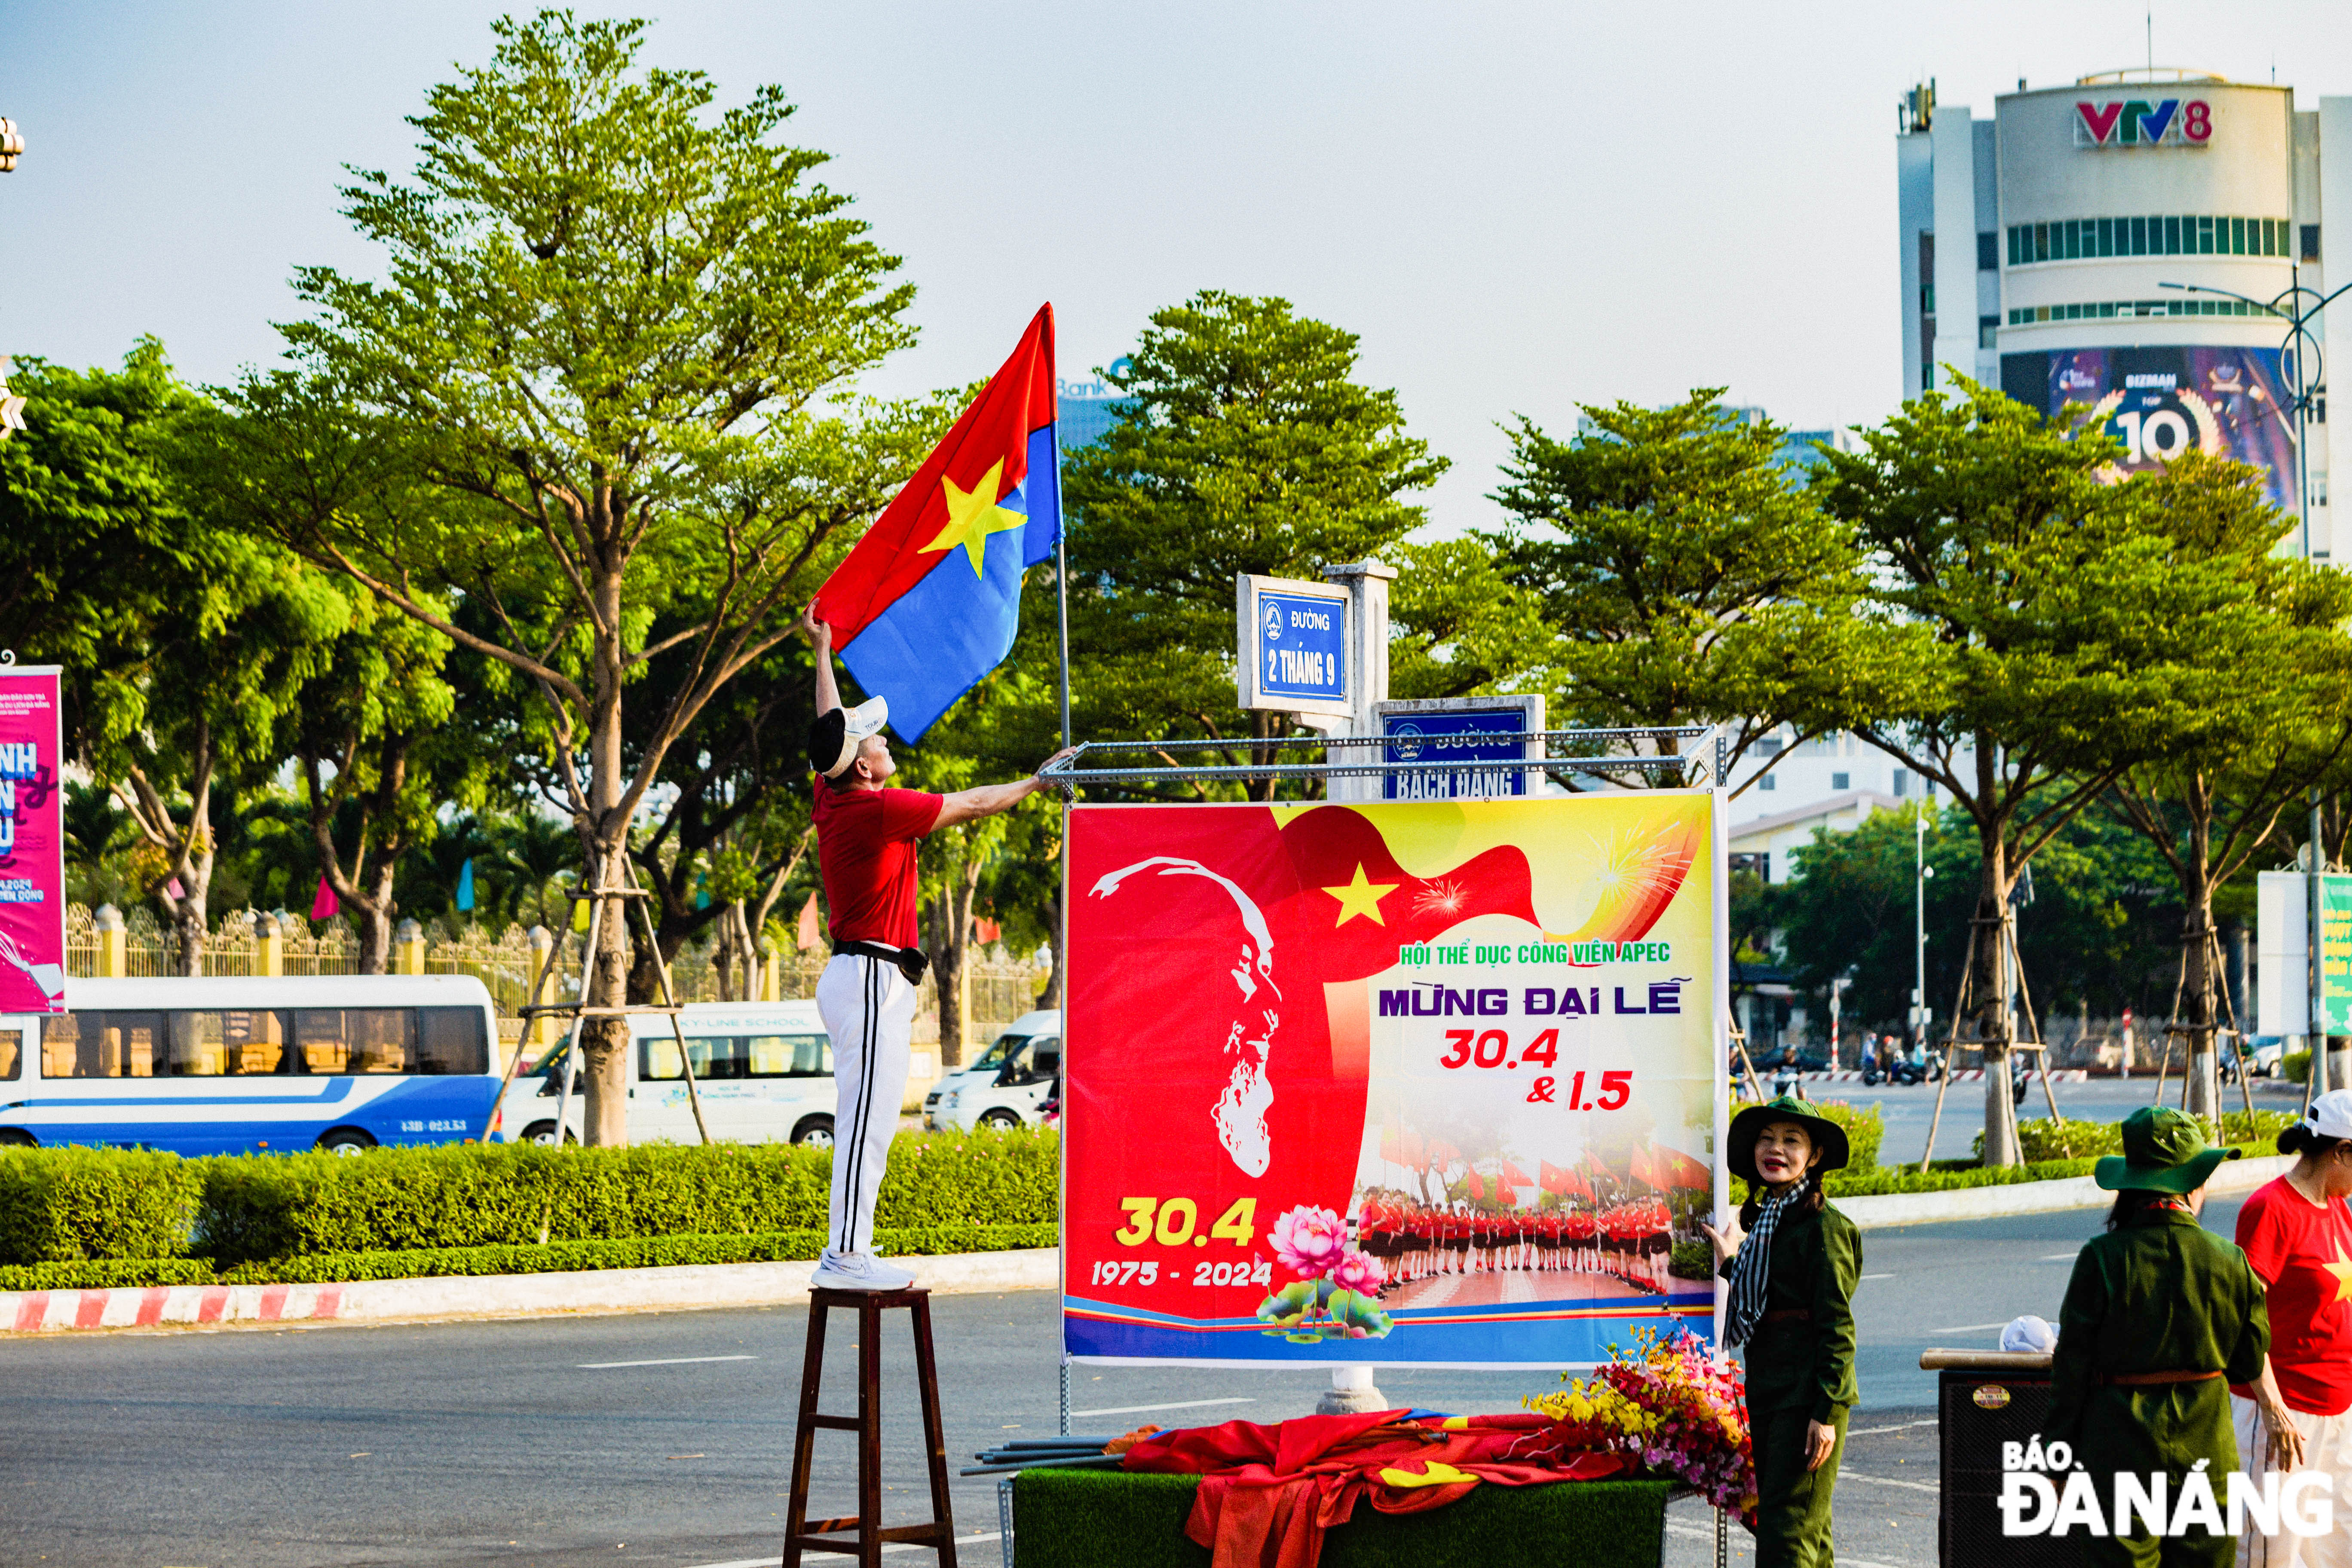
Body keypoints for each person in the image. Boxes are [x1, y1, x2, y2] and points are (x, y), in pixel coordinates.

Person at [799, 605, 1074, 1291]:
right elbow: (976, 804)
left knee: (872, 1121)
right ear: (864, 767)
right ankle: (843, 1258)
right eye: (873, 738)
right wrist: (1039, 782)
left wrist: (823, 650)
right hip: (868, 974)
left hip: (868, 975)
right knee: (864, 1123)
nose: (882, 738)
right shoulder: (875, 809)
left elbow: (828, 730)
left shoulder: (834, 795)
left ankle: (852, 1251)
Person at [2044, 1107, 2272, 1568]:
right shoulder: (2230, 1261)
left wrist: (2057, 1457)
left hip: (2118, 1450)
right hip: (2207, 1452)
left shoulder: (2102, 1258)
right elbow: (2249, 1362)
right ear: (2192, 1186)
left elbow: (2072, 1366)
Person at [1699, 1094, 1860, 1568]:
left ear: (1815, 1156)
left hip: (1806, 1399)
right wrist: (1731, 1262)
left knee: (1787, 1536)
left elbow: (1837, 1328)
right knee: (1805, 1531)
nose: (1776, 1149)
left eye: (1792, 1141)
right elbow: (1768, 1299)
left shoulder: (1824, 1229)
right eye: (1766, 1139)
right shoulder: (1771, 1221)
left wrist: (1826, 1412)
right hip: (1770, 1394)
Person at [2230, 1092, 2352, 1568]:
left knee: (2334, 1550)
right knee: (2268, 1554)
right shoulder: (2271, 1209)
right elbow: (2242, 1314)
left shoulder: (2339, 1208)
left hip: (2337, 1413)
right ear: (2342, 1151)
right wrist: (2272, 1406)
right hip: (2283, 1418)